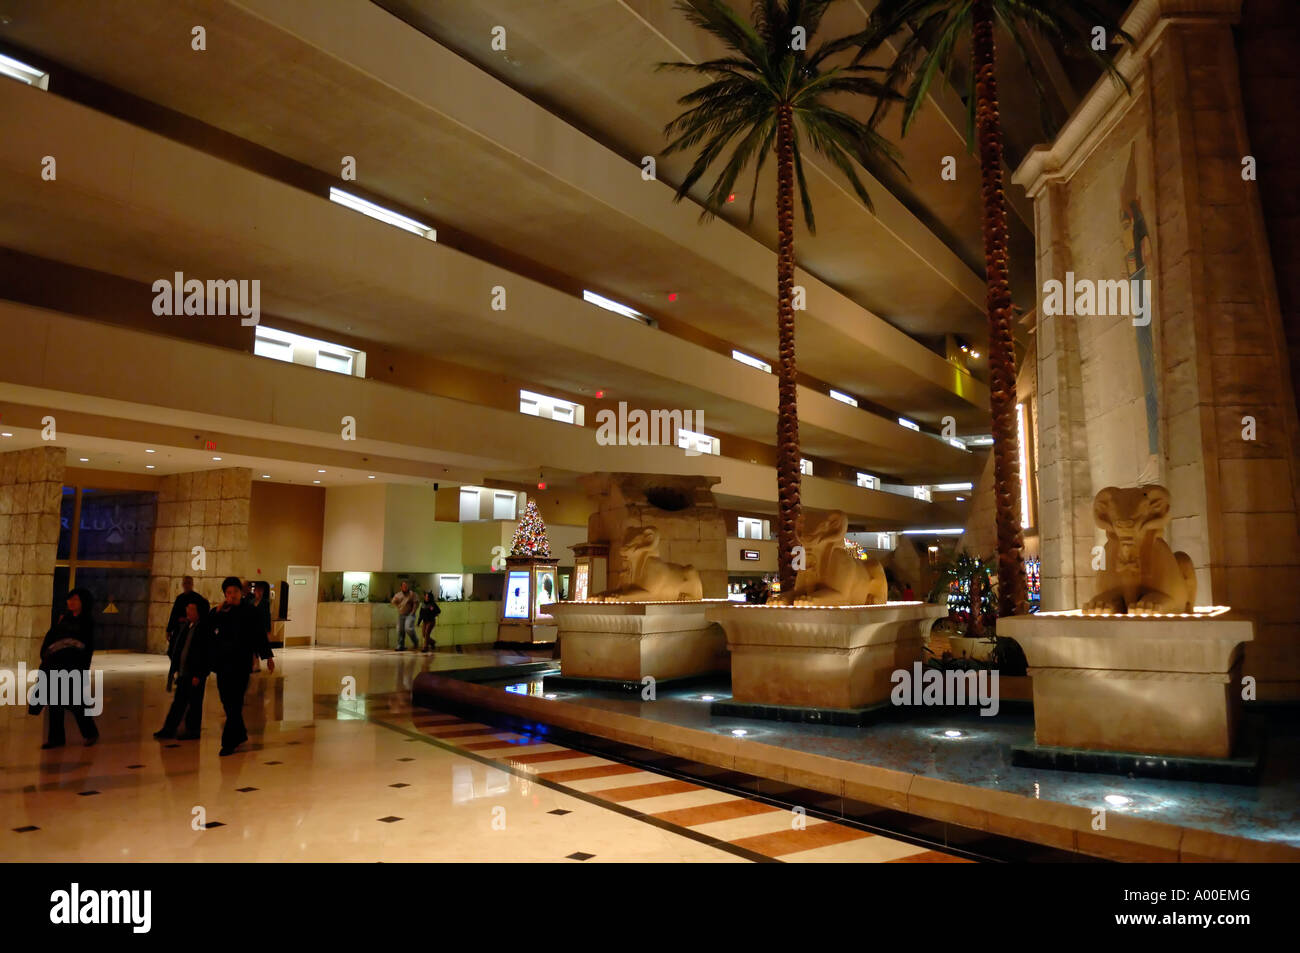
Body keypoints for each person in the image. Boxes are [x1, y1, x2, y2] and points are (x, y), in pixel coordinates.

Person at [207, 576, 274, 756]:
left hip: (241, 664)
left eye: (235, 592)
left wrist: (268, 656)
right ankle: (241, 733)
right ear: (225, 594)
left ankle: (228, 743)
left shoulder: (250, 611)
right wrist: (217, 612)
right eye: (229, 592)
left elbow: (260, 634)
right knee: (226, 701)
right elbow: (208, 630)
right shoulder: (221, 611)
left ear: (240, 593)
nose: (232, 595)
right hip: (222, 665)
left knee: (235, 702)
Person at [37, 588, 100, 749]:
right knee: (55, 703)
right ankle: (56, 738)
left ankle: (90, 732)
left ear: (83, 603)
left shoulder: (87, 622)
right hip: (57, 665)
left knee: (75, 702)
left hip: (74, 666)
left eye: (75, 600)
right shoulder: (63, 619)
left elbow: (87, 647)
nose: (71, 603)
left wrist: (82, 667)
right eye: (70, 599)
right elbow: (52, 637)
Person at [155, 601, 207, 740]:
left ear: (198, 612)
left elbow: (204, 654)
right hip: (185, 671)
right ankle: (170, 729)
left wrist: (199, 674)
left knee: (193, 703)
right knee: (180, 702)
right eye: (187, 608)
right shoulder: (187, 626)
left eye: (191, 608)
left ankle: (192, 731)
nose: (187, 611)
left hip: (194, 673)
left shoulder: (202, 629)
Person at [166, 576, 209, 648]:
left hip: (192, 628)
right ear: (182, 584)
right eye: (185, 583)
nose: (187, 585)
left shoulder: (198, 598)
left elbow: (204, 613)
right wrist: (169, 630)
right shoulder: (179, 598)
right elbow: (174, 614)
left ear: (192, 584)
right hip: (179, 627)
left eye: (189, 583)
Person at [248, 580, 272, 673]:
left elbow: (267, 616)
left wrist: (268, 629)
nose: (258, 592)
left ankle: (257, 664)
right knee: (253, 647)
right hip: (252, 627)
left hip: (262, 626)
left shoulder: (265, 602)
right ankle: (254, 664)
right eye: (257, 590)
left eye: (260, 590)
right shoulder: (251, 602)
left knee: (259, 646)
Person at [390, 580, 419, 651]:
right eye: (404, 586)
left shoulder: (412, 594)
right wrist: (398, 605)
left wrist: (413, 612)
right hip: (401, 614)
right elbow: (393, 602)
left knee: (408, 628)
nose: (405, 587)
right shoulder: (398, 595)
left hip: (410, 614)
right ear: (401, 587)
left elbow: (416, 603)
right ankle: (400, 645)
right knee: (400, 630)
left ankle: (415, 641)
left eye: (406, 586)